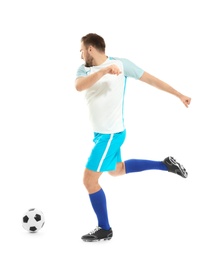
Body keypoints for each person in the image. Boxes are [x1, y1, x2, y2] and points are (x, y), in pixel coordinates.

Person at [75, 33, 191, 242]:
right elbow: (79, 86)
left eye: (82, 49)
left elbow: (151, 80)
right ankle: (165, 165)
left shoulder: (121, 64)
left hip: (111, 135)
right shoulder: (84, 69)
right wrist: (103, 72)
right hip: (100, 134)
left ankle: (104, 228)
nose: (80, 53)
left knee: (89, 180)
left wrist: (179, 94)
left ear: (90, 48)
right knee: (116, 171)